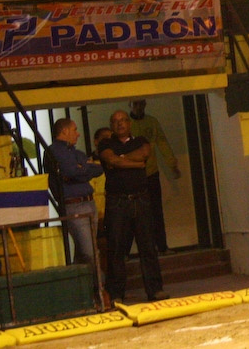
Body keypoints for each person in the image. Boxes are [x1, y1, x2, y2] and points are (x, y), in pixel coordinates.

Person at [98, 110, 168, 304]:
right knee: (116, 249)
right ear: (111, 125)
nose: (120, 124)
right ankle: (116, 294)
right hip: (117, 202)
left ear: (129, 123)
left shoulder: (141, 140)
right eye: (115, 121)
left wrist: (121, 160)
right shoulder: (105, 144)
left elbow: (144, 154)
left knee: (148, 246)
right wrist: (135, 164)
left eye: (123, 120)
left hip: (141, 200)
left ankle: (155, 290)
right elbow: (111, 160)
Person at [47, 118, 104, 265]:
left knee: (83, 251)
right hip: (74, 205)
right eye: (75, 130)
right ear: (65, 131)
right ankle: (98, 279)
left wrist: (81, 169)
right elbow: (71, 171)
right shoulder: (54, 152)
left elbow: (98, 169)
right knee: (89, 252)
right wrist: (85, 168)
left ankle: (81, 278)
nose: (78, 134)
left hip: (88, 203)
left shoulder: (74, 152)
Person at [129, 99, 180, 255]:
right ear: (129, 105)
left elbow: (162, 143)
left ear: (145, 105)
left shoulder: (152, 122)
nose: (138, 107)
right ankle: (141, 250)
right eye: (135, 104)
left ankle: (162, 247)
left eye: (141, 104)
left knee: (156, 212)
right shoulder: (127, 124)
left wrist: (172, 165)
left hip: (151, 173)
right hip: (133, 175)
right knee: (136, 214)